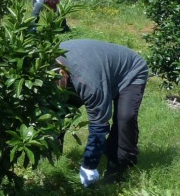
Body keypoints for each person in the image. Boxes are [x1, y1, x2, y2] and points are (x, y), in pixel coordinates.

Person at [58, 39, 149, 186]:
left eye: (57, 85)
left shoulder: (87, 81)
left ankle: (118, 167)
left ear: (62, 73)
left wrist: (89, 166)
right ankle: (54, 155)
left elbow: (99, 124)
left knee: (125, 118)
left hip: (130, 70)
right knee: (59, 110)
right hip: (97, 67)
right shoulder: (44, 60)